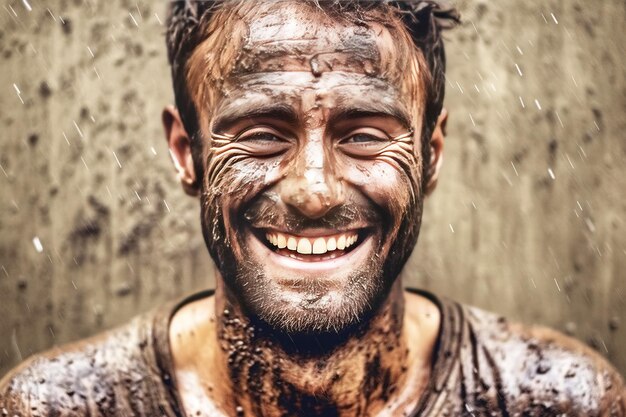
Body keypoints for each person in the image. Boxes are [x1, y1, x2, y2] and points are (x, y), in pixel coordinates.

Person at [1, 1, 624, 416]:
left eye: (364, 134)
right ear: (186, 152)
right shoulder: (59, 407)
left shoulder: (554, 400)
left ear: (431, 155)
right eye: (263, 133)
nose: (315, 191)